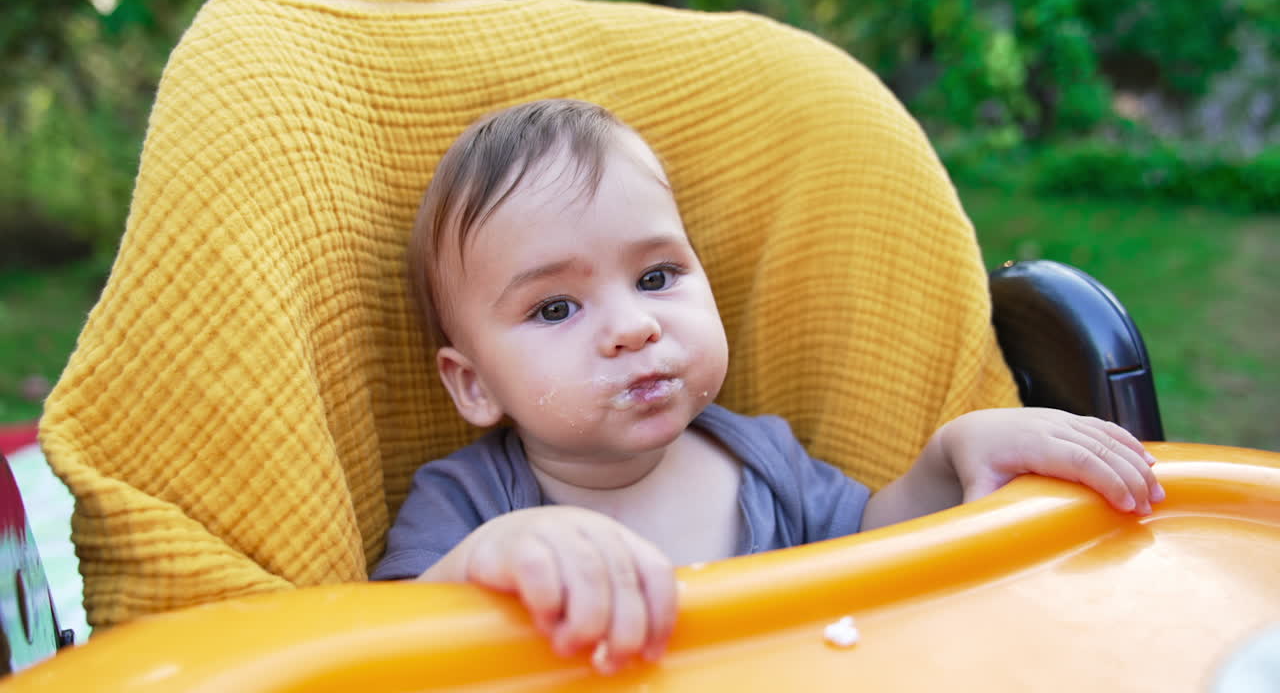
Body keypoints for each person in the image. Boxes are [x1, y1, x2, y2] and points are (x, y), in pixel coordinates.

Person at [373, 98, 1165, 673]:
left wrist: (950, 460)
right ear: (474, 385)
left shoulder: (762, 460)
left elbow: (868, 545)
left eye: (656, 276)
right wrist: (487, 562)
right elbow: (370, 652)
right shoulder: (470, 505)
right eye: (555, 307)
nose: (633, 326)